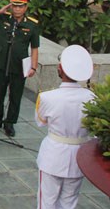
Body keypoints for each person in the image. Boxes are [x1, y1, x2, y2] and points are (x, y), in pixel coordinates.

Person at [36, 45, 96, 209]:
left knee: (46, 202)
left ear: (60, 69)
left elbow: (41, 122)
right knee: (69, 202)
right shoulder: (92, 98)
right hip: (79, 156)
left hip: (53, 156)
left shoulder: (47, 97)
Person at [0, 0, 40, 137]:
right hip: (1, 62)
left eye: (21, 6)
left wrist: (33, 66)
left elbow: (35, 47)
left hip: (19, 64)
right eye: (15, 6)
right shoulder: (3, 18)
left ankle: (10, 123)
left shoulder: (32, 24)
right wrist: (0, 11)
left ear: (26, 7)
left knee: (15, 95)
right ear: (11, 6)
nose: (17, 9)